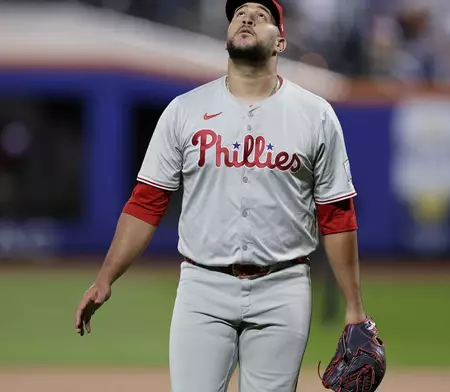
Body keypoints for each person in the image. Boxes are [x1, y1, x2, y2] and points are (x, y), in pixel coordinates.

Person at [74, 1, 374, 391]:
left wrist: (354, 306)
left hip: (283, 287)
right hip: (202, 286)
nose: (247, 17)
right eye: (239, 14)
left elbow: (337, 214)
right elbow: (146, 203)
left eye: (261, 15)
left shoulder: (314, 114)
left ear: (281, 42)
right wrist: (105, 277)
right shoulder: (184, 111)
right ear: (228, 34)